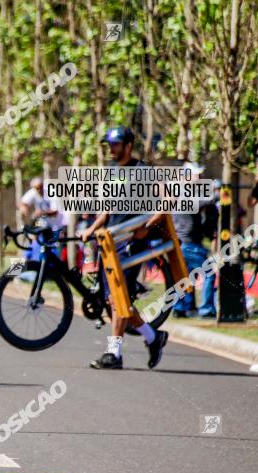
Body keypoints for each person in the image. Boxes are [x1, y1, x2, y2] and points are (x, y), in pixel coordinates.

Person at [78, 126, 168, 370]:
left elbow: (165, 202)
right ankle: (153, 337)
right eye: (108, 145)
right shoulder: (110, 171)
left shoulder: (143, 171)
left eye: (115, 144)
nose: (111, 149)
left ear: (128, 146)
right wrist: (91, 229)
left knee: (119, 299)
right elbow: (106, 210)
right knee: (115, 300)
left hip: (132, 244)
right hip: (110, 243)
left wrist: (147, 228)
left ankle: (114, 353)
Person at [172, 162, 217, 318]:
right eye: (197, 174)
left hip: (183, 243)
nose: (200, 177)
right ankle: (206, 309)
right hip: (189, 244)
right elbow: (207, 201)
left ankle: (181, 308)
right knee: (209, 274)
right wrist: (222, 193)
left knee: (185, 277)